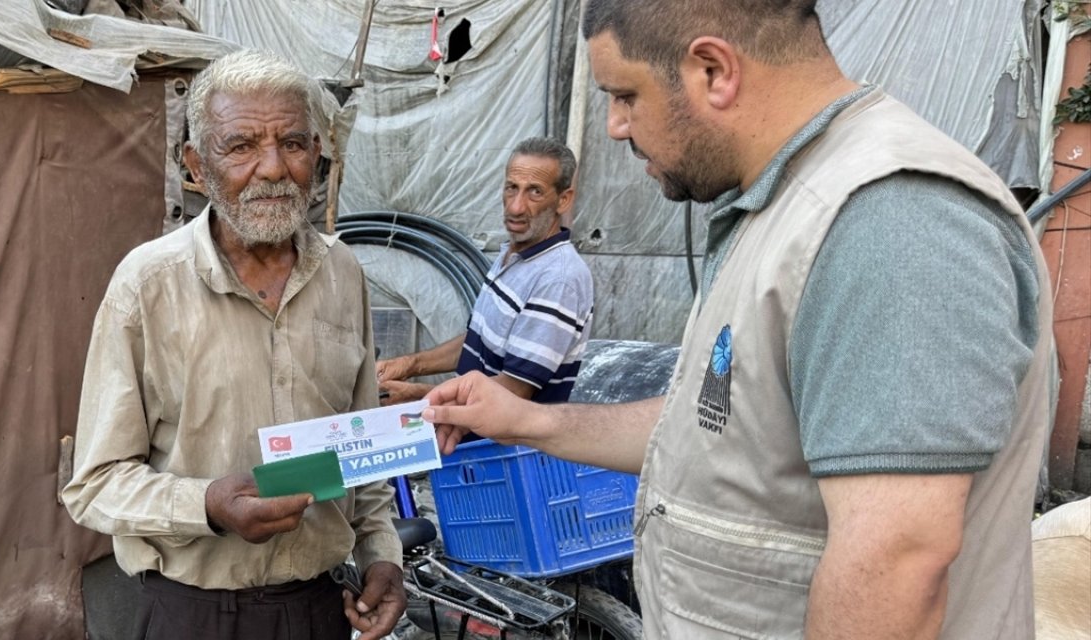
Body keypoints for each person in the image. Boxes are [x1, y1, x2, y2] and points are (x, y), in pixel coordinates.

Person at [421, 1, 1055, 639]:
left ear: (713, 70)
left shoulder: (889, 220)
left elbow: (898, 562)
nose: (615, 126)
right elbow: (715, 426)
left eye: (626, 95)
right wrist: (528, 421)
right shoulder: (778, 207)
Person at [61, 49, 404, 640]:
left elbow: (361, 444)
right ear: (196, 165)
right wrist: (209, 506)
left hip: (319, 610)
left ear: (317, 155)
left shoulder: (342, 273)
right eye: (241, 146)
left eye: (293, 143)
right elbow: (95, 485)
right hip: (190, 614)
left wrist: (382, 556)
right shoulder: (148, 284)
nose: (272, 168)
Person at [377, 137, 594, 407]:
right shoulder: (513, 253)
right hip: (471, 430)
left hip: (507, 446)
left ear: (563, 200)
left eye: (534, 191)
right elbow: (478, 343)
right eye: (511, 188)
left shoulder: (558, 279)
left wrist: (417, 395)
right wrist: (408, 365)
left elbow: (512, 393)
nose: (515, 207)